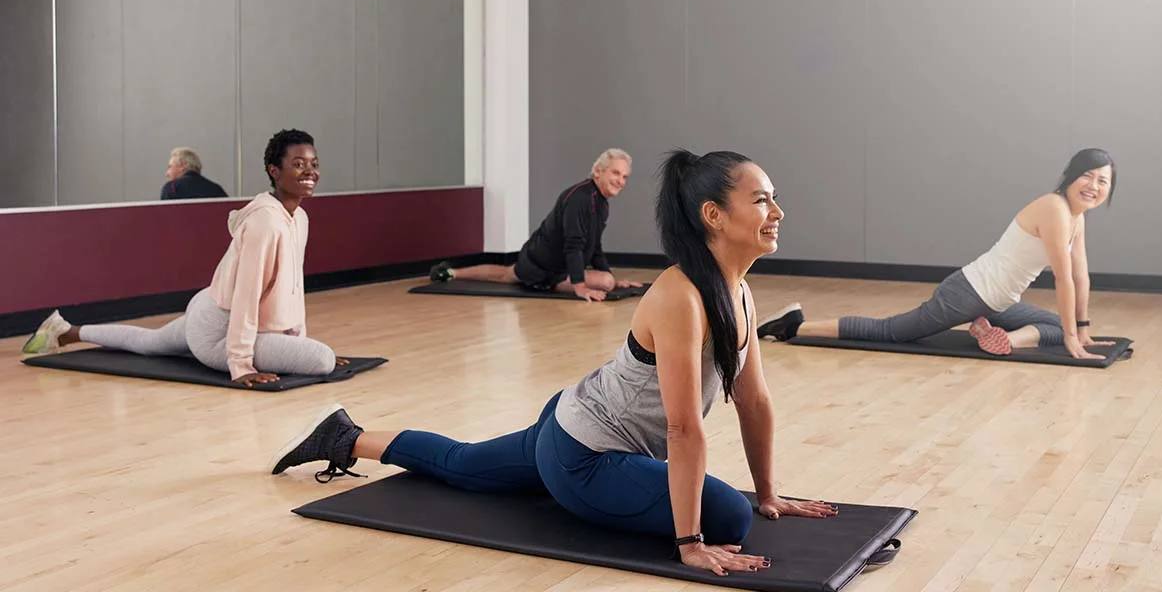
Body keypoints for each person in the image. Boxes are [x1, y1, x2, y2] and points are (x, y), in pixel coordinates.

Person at [270, 149, 838, 577]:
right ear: (714, 214)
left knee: (466, 466)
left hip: (569, 422)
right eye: (761, 199)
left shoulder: (737, 292)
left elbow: (754, 397)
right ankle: (578, 492)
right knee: (726, 518)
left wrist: (768, 491)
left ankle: (344, 436)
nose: (776, 210)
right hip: (586, 455)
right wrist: (689, 542)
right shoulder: (680, 296)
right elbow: (684, 426)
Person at [23, 129, 344, 387]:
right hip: (217, 327)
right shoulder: (265, 222)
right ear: (275, 171)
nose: (310, 172)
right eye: (298, 164)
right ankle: (67, 331)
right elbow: (246, 296)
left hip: (208, 308)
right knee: (322, 360)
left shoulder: (298, 218)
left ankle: (66, 331)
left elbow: (292, 286)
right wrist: (241, 364)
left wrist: (296, 342)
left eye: (313, 163)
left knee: (149, 344)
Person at [758, 148, 1118, 361]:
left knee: (1057, 325)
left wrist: (1081, 330)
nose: (1094, 186)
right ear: (1069, 177)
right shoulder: (1053, 208)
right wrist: (1073, 339)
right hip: (967, 293)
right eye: (1088, 177)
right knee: (892, 331)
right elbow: (1064, 277)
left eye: (1103, 181)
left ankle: (1004, 337)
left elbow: (1081, 275)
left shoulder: (1076, 217)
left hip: (1000, 302)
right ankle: (793, 325)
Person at [428, 148, 642, 301]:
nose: (621, 181)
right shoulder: (580, 198)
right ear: (598, 171)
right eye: (615, 173)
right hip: (543, 266)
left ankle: (452, 273)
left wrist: (615, 279)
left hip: (545, 262)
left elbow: (594, 247)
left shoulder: (600, 202)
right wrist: (580, 286)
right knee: (603, 282)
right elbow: (573, 244)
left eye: (625, 177)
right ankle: (452, 273)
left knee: (506, 275)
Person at [160, 147, 228, 200]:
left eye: (170, 167)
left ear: (181, 166)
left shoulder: (172, 188)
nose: (167, 173)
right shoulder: (216, 189)